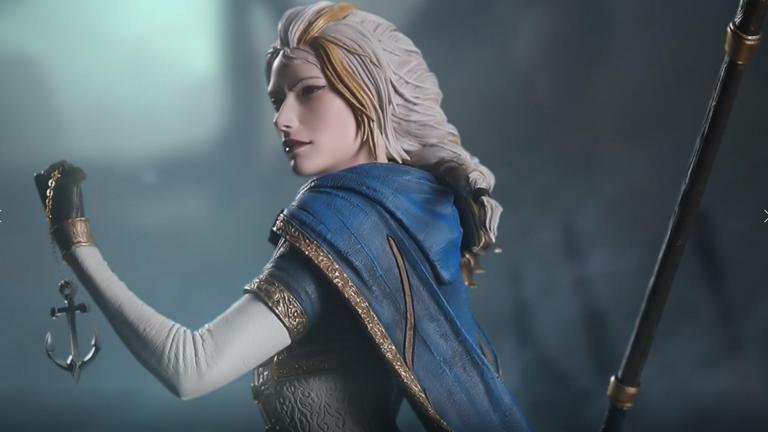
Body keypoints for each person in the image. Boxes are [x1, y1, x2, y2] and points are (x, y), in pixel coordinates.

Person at [34, 2, 531, 431]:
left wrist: (75, 242)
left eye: (308, 91)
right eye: (277, 99)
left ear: (368, 92)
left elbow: (191, 367)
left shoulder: (344, 222)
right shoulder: (407, 205)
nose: (282, 118)